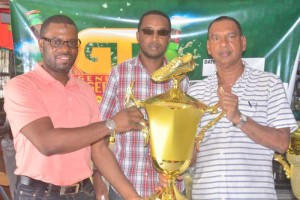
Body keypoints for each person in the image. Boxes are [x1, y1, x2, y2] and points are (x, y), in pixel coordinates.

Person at [4, 14, 146, 200]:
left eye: (71, 43)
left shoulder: (84, 90)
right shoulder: (21, 86)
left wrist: (133, 197)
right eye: (56, 41)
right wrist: (110, 124)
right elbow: (47, 142)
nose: (65, 48)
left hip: (83, 192)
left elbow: (99, 150)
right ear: (41, 44)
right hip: (39, 194)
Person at [188, 16, 298, 199]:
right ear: (208, 47)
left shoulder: (268, 84)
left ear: (243, 43)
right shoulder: (194, 92)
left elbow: (282, 143)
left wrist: (240, 119)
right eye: (216, 38)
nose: (223, 44)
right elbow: (190, 157)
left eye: (230, 37)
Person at [97, 10, 189, 198]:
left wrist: (176, 172)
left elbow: (187, 139)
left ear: (169, 37)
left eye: (162, 32)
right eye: (148, 31)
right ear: (138, 36)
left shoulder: (180, 79)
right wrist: (98, 180)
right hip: (125, 189)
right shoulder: (120, 73)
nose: (155, 38)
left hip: (167, 190)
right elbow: (100, 133)